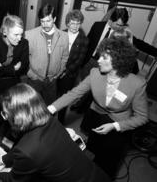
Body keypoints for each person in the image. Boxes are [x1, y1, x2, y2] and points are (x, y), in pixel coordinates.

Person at [0, 83, 111, 182]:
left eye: (5, 113)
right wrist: (1, 160)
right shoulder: (48, 118)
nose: (3, 117)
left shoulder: (28, 150)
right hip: (95, 174)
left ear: (18, 117)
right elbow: (23, 149)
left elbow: (14, 179)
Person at [48, 38, 148, 178]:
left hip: (119, 124)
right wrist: (51, 109)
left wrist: (115, 126)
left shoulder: (137, 84)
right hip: (96, 116)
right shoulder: (95, 73)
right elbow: (74, 94)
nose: (98, 60)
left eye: (104, 57)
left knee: (108, 161)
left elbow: (142, 117)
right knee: (91, 152)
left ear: (118, 61)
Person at [0, 14, 29, 136]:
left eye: (21, 34)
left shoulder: (24, 43)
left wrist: (3, 68)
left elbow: (24, 67)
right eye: (16, 34)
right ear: (5, 32)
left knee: (12, 117)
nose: (19, 38)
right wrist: (13, 68)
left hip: (13, 85)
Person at [25, 3, 69, 105]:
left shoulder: (64, 36)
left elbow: (65, 57)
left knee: (49, 109)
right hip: (34, 80)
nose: (45, 25)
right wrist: (31, 74)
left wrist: (58, 74)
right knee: (32, 108)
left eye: (48, 21)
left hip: (52, 81)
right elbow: (24, 58)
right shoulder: (29, 35)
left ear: (54, 19)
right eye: (42, 21)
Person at [57, 10, 88, 123]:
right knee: (53, 95)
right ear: (67, 23)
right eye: (73, 23)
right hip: (55, 71)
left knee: (64, 97)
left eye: (78, 23)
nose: (75, 26)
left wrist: (64, 71)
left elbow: (80, 60)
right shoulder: (60, 34)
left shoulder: (84, 39)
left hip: (69, 74)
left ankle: (60, 121)